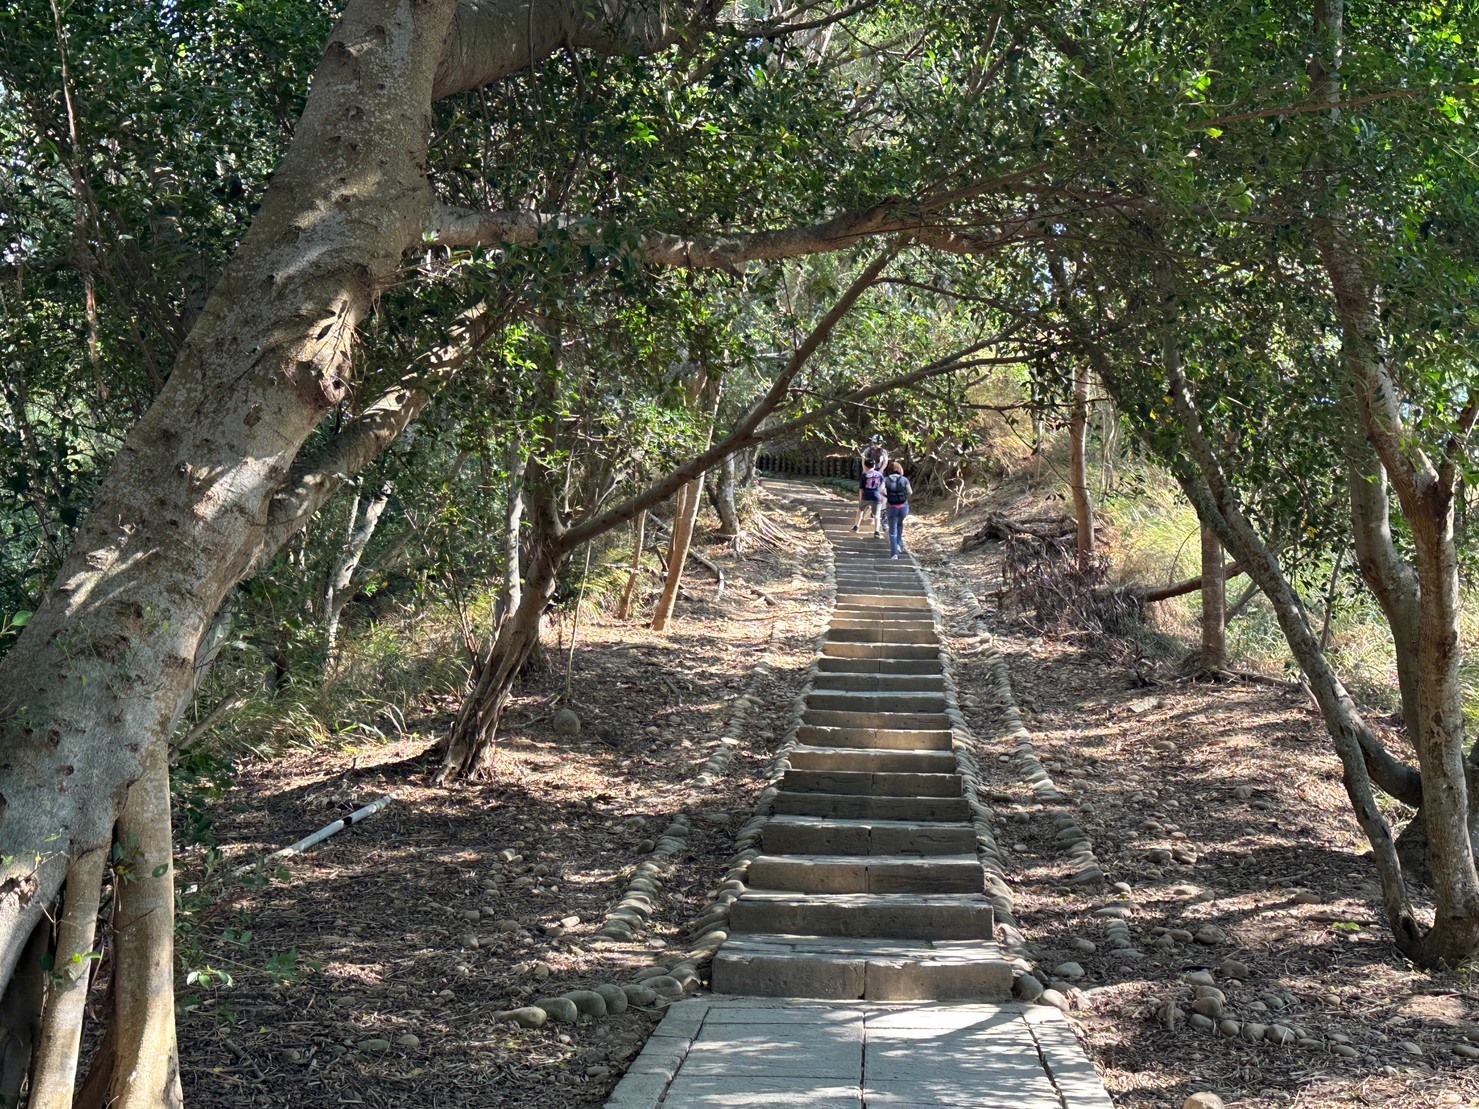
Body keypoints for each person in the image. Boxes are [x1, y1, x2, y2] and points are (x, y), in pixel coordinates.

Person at [854, 435, 888, 534]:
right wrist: (867, 473)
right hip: (868, 474)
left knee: (882, 496)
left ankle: (882, 520)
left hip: (879, 474)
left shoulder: (883, 452)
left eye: (879, 442)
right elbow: (864, 463)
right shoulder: (867, 451)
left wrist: (880, 471)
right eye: (876, 442)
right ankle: (866, 513)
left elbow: (885, 462)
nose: (877, 444)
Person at [882, 461, 912, 559]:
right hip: (904, 507)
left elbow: (880, 490)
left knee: (892, 531)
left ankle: (894, 553)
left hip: (892, 507)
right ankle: (899, 545)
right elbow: (910, 492)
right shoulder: (904, 479)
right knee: (900, 524)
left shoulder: (886, 479)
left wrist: (886, 496)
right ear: (900, 469)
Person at [853, 459, 884, 535]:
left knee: (860, 510)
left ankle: (856, 527)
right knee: (877, 514)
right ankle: (877, 531)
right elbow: (882, 487)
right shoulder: (880, 475)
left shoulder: (864, 475)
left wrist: (860, 500)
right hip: (876, 496)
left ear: (865, 467)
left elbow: (861, 490)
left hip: (866, 496)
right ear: (874, 466)